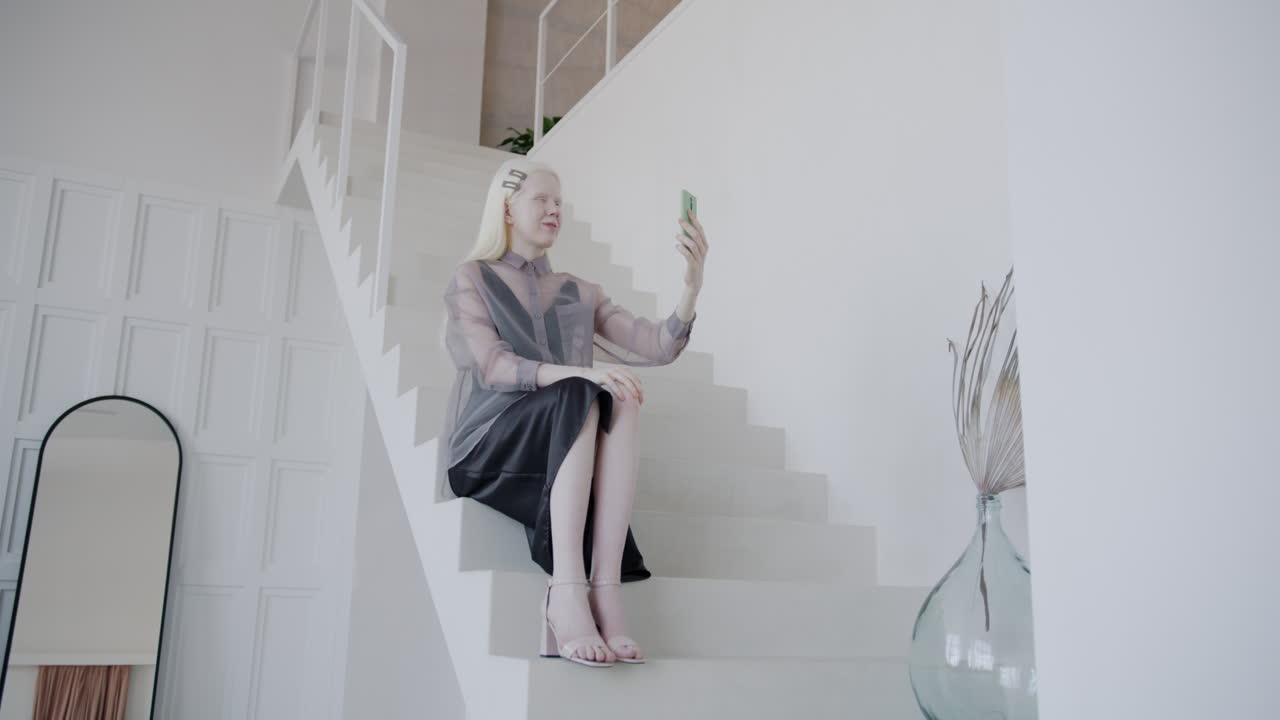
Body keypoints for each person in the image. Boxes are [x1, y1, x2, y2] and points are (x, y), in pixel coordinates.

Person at [440, 157, 709, 668]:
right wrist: (579, 375)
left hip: (564, 442)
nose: (553, 209)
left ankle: (605, 591)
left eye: (559, 201)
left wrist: (692, 285)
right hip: (489, 450)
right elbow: (493, 367)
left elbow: (655, 346)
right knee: (580, 390)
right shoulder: (471, 277)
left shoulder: (579, 292)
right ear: (507, 208)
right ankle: (567, 591)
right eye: (541, 199)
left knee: (622, 394)